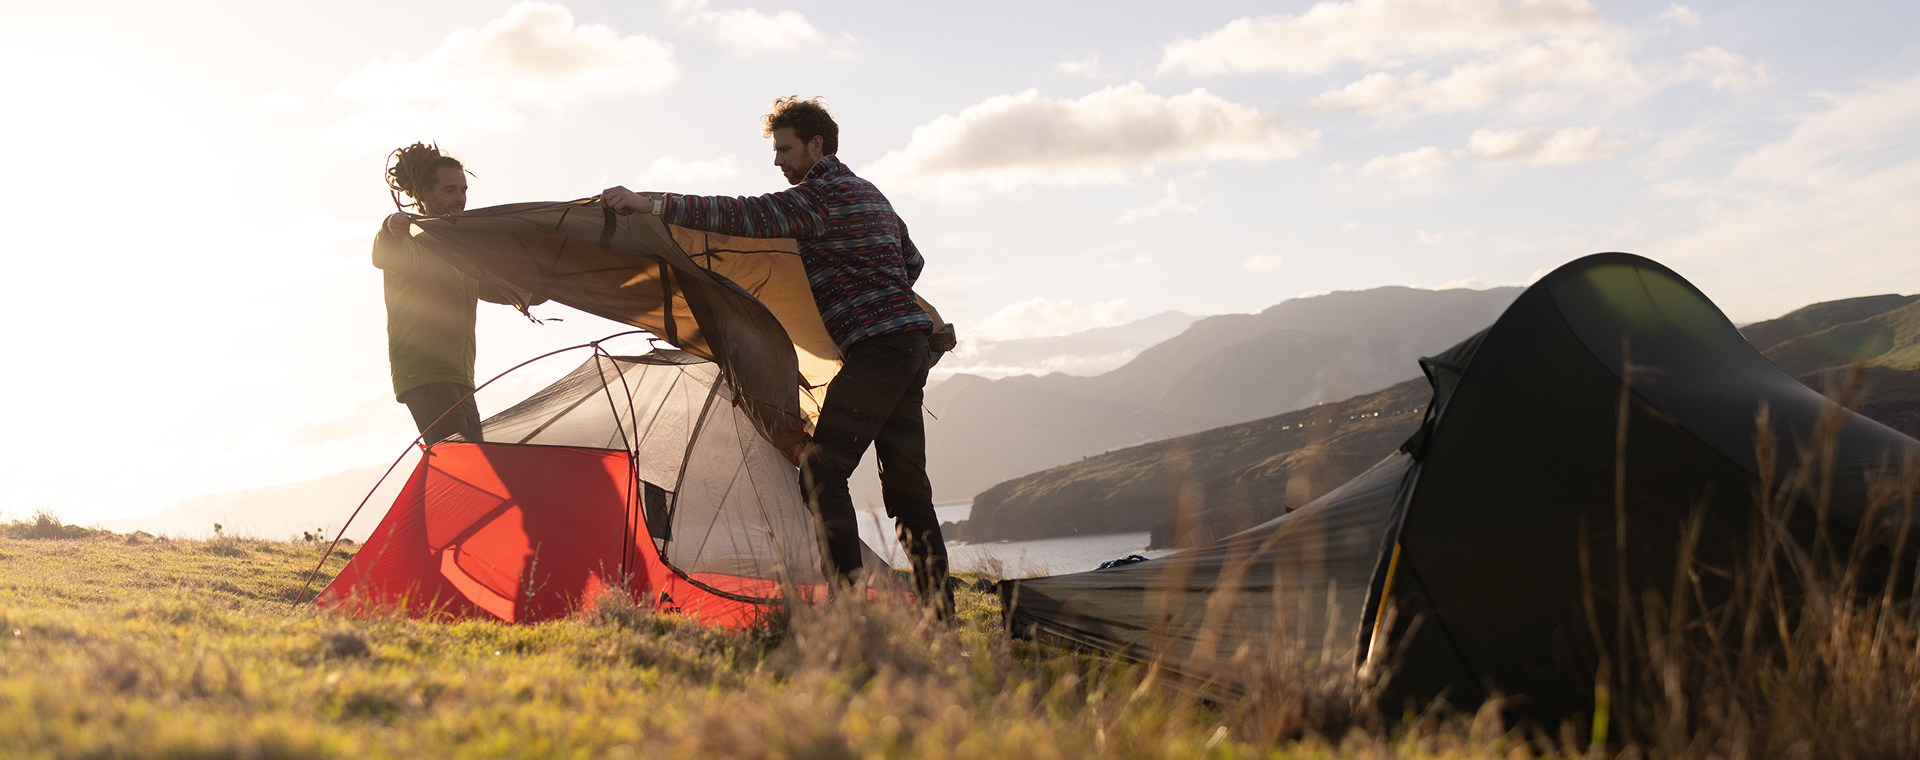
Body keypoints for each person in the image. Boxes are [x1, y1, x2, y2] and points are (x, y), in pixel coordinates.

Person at [601, 97, 953, 618]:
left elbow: (740, 214)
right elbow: (912, 261)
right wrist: (868, 281)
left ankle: (851, 609)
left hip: (879, 351)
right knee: (907, 493)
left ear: (816, 145)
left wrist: (650, 204)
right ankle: (940, 618)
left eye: (785, 149)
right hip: (910, 346)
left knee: (820, 472)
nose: (777, 160)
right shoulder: (870, 193)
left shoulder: (818, 197)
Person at [374, 142, 516, 445]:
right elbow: (384, 254)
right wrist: (389, 226)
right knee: (462, 459)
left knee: (476, 459)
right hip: (426, 374)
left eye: (463, 190)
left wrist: (549, 282)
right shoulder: (411, 242)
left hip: (460, 376)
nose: (460, 197)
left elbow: (506, 289)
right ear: (426, 194)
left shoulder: (459, 251)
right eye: (450, 190)